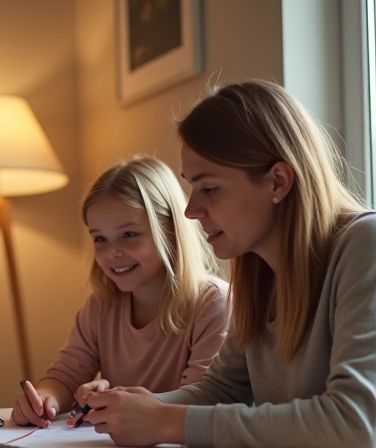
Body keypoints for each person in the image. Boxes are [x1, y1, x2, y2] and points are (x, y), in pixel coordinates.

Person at [80, 80, 376, 448]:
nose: (191, 210)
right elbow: (225, 389)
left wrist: (165, 422)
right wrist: (142, 406)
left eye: (209, 188)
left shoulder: (374, 245)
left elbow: (352, 427)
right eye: (191, 187)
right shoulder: (258, 271)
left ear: (277, 181)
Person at [12, 156, 229, 428]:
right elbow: (66, 376)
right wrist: (44, 400)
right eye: (99, 238)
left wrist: (117, 401)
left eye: (128, 235)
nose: (112, 252)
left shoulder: (213, 303)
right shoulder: (101, 306)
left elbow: (202, 398)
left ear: (171, 230)